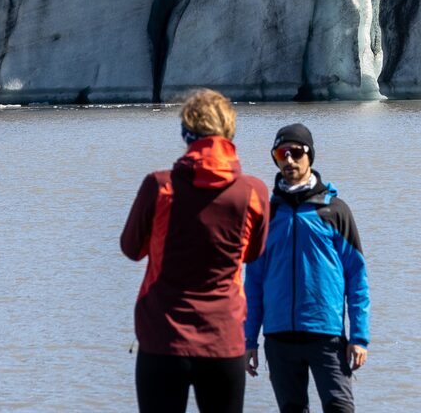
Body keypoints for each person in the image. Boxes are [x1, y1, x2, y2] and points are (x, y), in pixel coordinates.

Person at [121, 90, 270, 413]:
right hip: (224, 338)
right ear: (229, 132)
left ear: (186, 133)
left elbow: (131, 249)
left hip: (163, 337)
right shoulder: (253, 192)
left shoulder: (160, 186)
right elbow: (252, 253)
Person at [244, 124, 369, 413]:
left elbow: (357, 278)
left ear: (309, 156)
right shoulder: (267, 213)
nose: (288, 160)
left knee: (340, 408)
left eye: (296, 153)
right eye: (281, 154)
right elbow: (254, 282)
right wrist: (249, 338)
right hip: (278, 337)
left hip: (326, 335)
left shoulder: (335, 211)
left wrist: (360, 336)